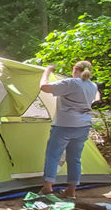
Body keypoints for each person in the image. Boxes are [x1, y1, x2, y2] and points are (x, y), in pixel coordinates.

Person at [39, 61, 99, 198]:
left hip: (64, 125)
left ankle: (48, 187)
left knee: (53, 156)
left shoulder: (71, 83)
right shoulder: (93, 86)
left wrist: (47, 71)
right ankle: (71, 191)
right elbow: (94, 98)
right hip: (83, 126)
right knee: (75, 158)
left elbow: (44, 87)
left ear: (75, 69)